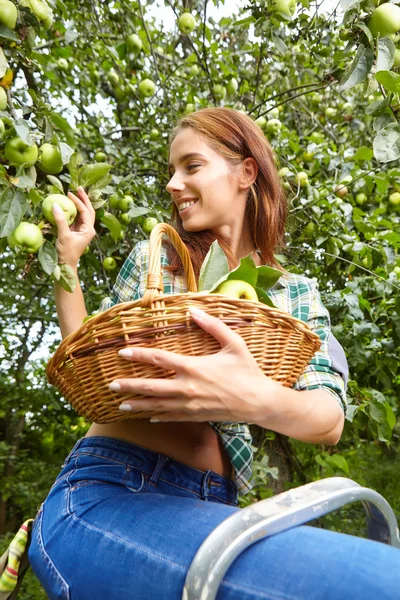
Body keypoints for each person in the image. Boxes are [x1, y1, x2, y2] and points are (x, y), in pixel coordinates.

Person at [27, 107, 400, 599]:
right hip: (110, 488)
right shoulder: (157, 260)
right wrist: (68, 263)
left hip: (215, 505)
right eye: (170, 172)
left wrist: (254, 398)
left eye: (191, 165)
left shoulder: (293, 295)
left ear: (246, 172)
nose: (172, 184)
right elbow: (86, 366)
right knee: (374, 582)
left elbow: (327, 419)